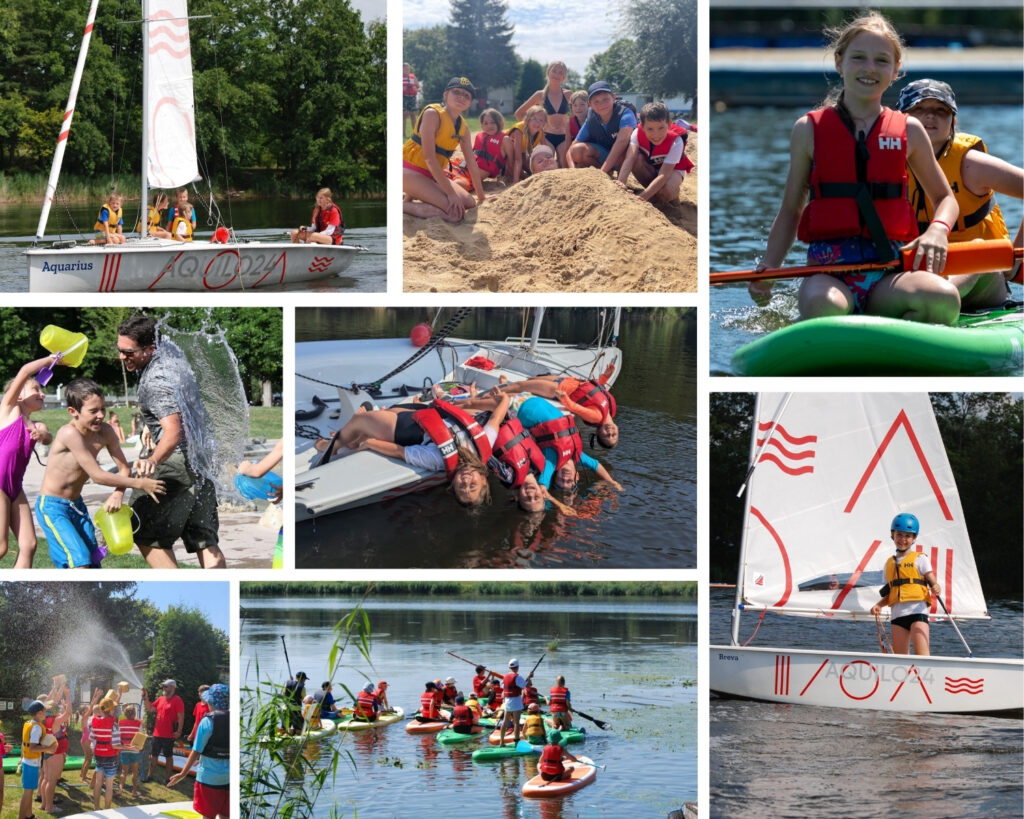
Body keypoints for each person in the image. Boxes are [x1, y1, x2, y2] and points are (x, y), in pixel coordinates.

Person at [748, 12, 961, 325]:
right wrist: (769, 267)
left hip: (889, 273)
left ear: (896, 70)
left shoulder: (910, 130)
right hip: (828, 276)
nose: (869, 69)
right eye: (858, 58)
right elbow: (792, 210)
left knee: (944, 300)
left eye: (881, 61)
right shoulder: (808, 129)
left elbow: (946, 198)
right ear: (839, 62)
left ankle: (884, 321)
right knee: (825, 305)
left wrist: (938, 230)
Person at [895, 78, 1024, 309]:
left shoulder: (971, 164)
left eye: (940, 111)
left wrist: (1016, 257)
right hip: (919, 273)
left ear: (953, 121)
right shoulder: (886, 163)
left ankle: (935, 300)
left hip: (983, 275)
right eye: (918, 109)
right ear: (899, 119)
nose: (929, 116)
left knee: (976, 247)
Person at [119, 315, 227, 569]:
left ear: (150, 349)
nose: (122, 357)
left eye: (128, 352)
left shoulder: (155, 382)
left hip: (173, 460)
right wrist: (150, 424)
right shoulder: (172, 356)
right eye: (120, 350)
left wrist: (153, 458)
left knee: (143, 531)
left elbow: (173, 431)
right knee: (203, 537)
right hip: (202, 458)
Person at [36, 378, 165, 568]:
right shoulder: (69, 434)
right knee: (79, 560)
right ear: (73, 411)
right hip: (53, 507)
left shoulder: (105, 432)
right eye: (93, 411)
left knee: (93, 561)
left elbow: (124, 468)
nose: (100, 415)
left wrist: (118, 493)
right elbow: (97, 475)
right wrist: (140, 484)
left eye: (103, 409)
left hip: (77, 506)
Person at [316, 393, 512, 508]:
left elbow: (399, 451)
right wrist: (504, 399)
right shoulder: (482, 445)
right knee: (390, 411)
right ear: (483, 480)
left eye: (462, 487)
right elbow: (495, 420)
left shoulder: (437, 460)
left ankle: (334, 446)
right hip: (428, 417)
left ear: (453, 485)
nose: (467, 481)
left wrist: (369, 445)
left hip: (411, 431)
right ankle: (363, 430)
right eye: (473, 486)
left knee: (359, 422)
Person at [1, 355, 59, 568]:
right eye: (36, 389)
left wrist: (42, 436)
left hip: (14, 488)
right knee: (1, 547)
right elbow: (25, 370)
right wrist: (51, 359)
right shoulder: (7, 411)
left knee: (29, 545)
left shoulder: (38, 424)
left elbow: (47, 435)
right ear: (17, 396)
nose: (42, 393)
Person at [403, 77, 486, 222]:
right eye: (457, 92)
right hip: (409, 171)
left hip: (431, 175)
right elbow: (429, 157)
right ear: (445, 94)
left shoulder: (463, 128)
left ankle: (419, 194)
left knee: (469, 203)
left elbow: (471, 162)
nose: (461, 97)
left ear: (470, 102)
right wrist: (450, 194)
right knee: (454, 214)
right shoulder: (432, 114)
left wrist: (481, 197)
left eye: (466, 95)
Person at [490, 363, 619, 448]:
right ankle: (504, 387)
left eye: (607, 435)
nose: (610, 432)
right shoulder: (612, 410)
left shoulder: (597, 417)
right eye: (614, 434)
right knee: (530, 381)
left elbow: (575, 408)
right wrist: (605, 378)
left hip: (561, 389)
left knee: (521, 386)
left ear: (599, 432)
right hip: (569, 381)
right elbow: (599, 390)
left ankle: (496, 394)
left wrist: (563, 397)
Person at [870, 513, 941, 655]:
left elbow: (931, 579)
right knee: (901, 660)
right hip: (897, 617)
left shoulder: (920, 558)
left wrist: (935, 586)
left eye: (908, 536)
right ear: (893, 535)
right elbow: (890, 593)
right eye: (899, 535)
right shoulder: (889, 564)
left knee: (922, 656)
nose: (903, 539)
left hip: (917, 613)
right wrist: (879, 605)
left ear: (914, 538)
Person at [169, 683, 229, 819]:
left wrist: (183, 773)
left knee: (208, 816)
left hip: (209, 779)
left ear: (211, 701)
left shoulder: (208, 721)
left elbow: (196, 751)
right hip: (229, 778)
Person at [618, 101, 694, 204]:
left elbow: (664, 174)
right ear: (642, 126)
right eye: (650, 129)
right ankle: (653, 194)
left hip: (672, 171)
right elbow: (629, 159)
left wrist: (642, 197)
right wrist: (621, 183)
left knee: (666, 192)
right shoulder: (636, 133)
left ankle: (673, 196)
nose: (656, 134)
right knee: (634, 157)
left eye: (661, 128)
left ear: (669, 124)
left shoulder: (676, 141)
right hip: (652, 165)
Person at [567, 81, 636, 176]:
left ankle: (620, 179)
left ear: (613, 97)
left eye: (605, 99)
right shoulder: (591, 119)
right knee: (577, 150)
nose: (601, 104)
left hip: (628, 159)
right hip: (606, 155)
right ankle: (608, 173)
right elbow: (571, 150)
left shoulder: (625, 114)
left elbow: (622, 143)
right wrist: (572, 169)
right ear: (590, 104)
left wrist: (601, 173)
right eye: (596, 101)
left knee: (624, 151)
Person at [516, 61, 574, 166]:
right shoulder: (540, 95)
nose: (556, 75)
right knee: (547, 164)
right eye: (554, 71)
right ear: (548, 72)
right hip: (546, 137)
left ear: (564, 77)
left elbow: (583, 110)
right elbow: (519, 113)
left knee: (563, 164)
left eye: (560, 73)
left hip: (564, 136)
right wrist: (531, 130)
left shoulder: (568, 95)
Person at [142, 679, 184, 784]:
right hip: (157, 733)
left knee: (168, 756)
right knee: (153, 755)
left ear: (173, 688)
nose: (164, 688)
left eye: (166, 686)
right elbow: (151, 709)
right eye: (163, 686)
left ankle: (168, 779)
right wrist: (146, 698)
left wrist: (179, 731)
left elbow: (181, 717)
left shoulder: (177, 700)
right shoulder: (161, 698)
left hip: (169, 734)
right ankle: (150, 776)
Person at [40, 691, 71, 813]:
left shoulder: (43, 719)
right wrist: (68, 696)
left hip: (47, 750)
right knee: (51, 781)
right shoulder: (56, 721)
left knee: (46, 779)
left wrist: (56, 689)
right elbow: (68, 712)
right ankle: (49, 807)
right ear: (54, 710)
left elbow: (49, 702)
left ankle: (43, 804)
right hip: (56, 752)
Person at [19, 700, 49, 819]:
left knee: (30, 791)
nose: (46, 714)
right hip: (31, 763)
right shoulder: (37, 728)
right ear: (39, 713)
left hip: (28, 761)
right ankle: (21, 817)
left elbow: (24, 744)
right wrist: (49, 747)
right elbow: (32, 747)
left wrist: (21, 758)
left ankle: (29, 815)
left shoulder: (29, 723)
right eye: (45, 711)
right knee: (27, 792)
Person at [90, 697, 120, 810]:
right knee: (109, 786)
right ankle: (107, 809)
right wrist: (130, 747)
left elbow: (92, 738)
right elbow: (116, 745)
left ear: (102, 710)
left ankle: (96, 807)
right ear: (111, 709)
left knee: (98, 783)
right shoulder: (114, 725)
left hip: (98, 755)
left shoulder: (94, 721)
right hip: (110, 757)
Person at [506, 105, 549, 182]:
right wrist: (516, 181)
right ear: (527, 120)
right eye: (534, 119)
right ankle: (508, 172)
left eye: (541, 120)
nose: (537, 123)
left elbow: (545, 153)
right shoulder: (519, 130)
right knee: (522, 174)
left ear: (544, 123)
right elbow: (517, 159)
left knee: (533, 167)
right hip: (507, 156)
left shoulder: (540, 132)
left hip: (521, 154)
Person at [497, 658, 532, 745]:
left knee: (505, 721)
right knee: (516, 722)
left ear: (510, 667)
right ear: (518, 667)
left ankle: (501, 741)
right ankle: (517, 742)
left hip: (507, 700)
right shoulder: (518, 677)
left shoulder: (505, 677)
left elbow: (503, 686)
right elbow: (528, 685)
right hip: (516, 700)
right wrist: (530, 677)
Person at [472, 109, 512, 181]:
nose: (489, 126)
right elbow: (472, 154)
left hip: (476, 174)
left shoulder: (505, 139)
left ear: (500, 123)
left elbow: (512, 162)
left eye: (493, 122)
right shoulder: (479, 136)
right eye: (486, 123)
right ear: (482, 126)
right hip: (466, 167)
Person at [118, 704, 144, 798]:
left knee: (123, 772)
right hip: (135, 750)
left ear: (125, 714)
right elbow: (141, 736)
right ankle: (134, 791)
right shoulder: (138, 723)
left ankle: (120, 790)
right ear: (134, 713)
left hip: (124, 749)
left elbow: (118, 736)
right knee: (134, 772)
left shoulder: (120, 723)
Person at [402, 63, 421, 137]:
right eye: (406, 69)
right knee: (404, 115)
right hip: (404, 97)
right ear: (402, 69)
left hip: (412, 97)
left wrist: (417, 89)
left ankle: (415, 133)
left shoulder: (413, 77)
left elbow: (419, 88)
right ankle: (403, 134)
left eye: (409, 69)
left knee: (413, 115)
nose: (408, 70)